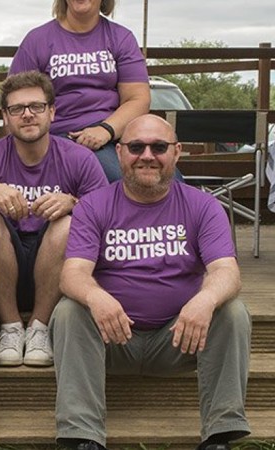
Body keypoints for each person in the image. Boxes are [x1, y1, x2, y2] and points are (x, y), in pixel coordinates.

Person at [52, 114, 251, 450]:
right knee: (69, 311)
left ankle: (220, 435)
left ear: (176, 152)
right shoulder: (94, 205)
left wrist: (205, 300)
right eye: (136, 147)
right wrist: (97, 297)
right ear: (119, 153)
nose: (147, 156)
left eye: (158, 147)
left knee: (233, 312)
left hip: (181, 338)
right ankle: (82, 437)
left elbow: (226, 271)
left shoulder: (203, 206)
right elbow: (73, 273)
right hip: (112, 339)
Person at [0, 71, 108, 367]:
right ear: (5, 116)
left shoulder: (78, 157)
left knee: (68, 224)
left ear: (52, 112)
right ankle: (11, 326)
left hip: (57, 269)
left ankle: (40, 327)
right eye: (17, 109)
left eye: (36, 106)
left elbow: (108, 215)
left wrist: (73, 202)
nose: (27, 115)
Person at [9, 0, 150, 182]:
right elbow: (15, 97)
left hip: (111, 133)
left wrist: (105, 130)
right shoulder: (37, 40)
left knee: (168, 179)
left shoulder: (120, 38)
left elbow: (138, 98)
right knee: (125, 180)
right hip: (58, 134)